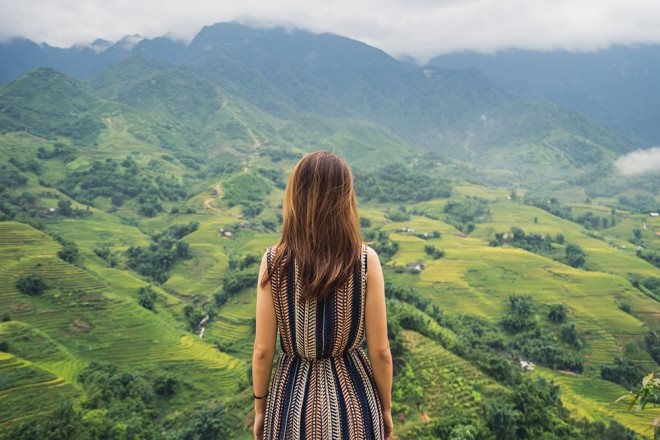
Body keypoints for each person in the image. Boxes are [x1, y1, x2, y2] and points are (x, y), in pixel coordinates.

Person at [251, 151, 393, 439]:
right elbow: (381, 351)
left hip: (290, 404)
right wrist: (386, 408)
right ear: (345, 200)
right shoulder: (365, 260)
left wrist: (260, 409)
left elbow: (263, 350)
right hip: (355, 403)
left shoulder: (273, 262)